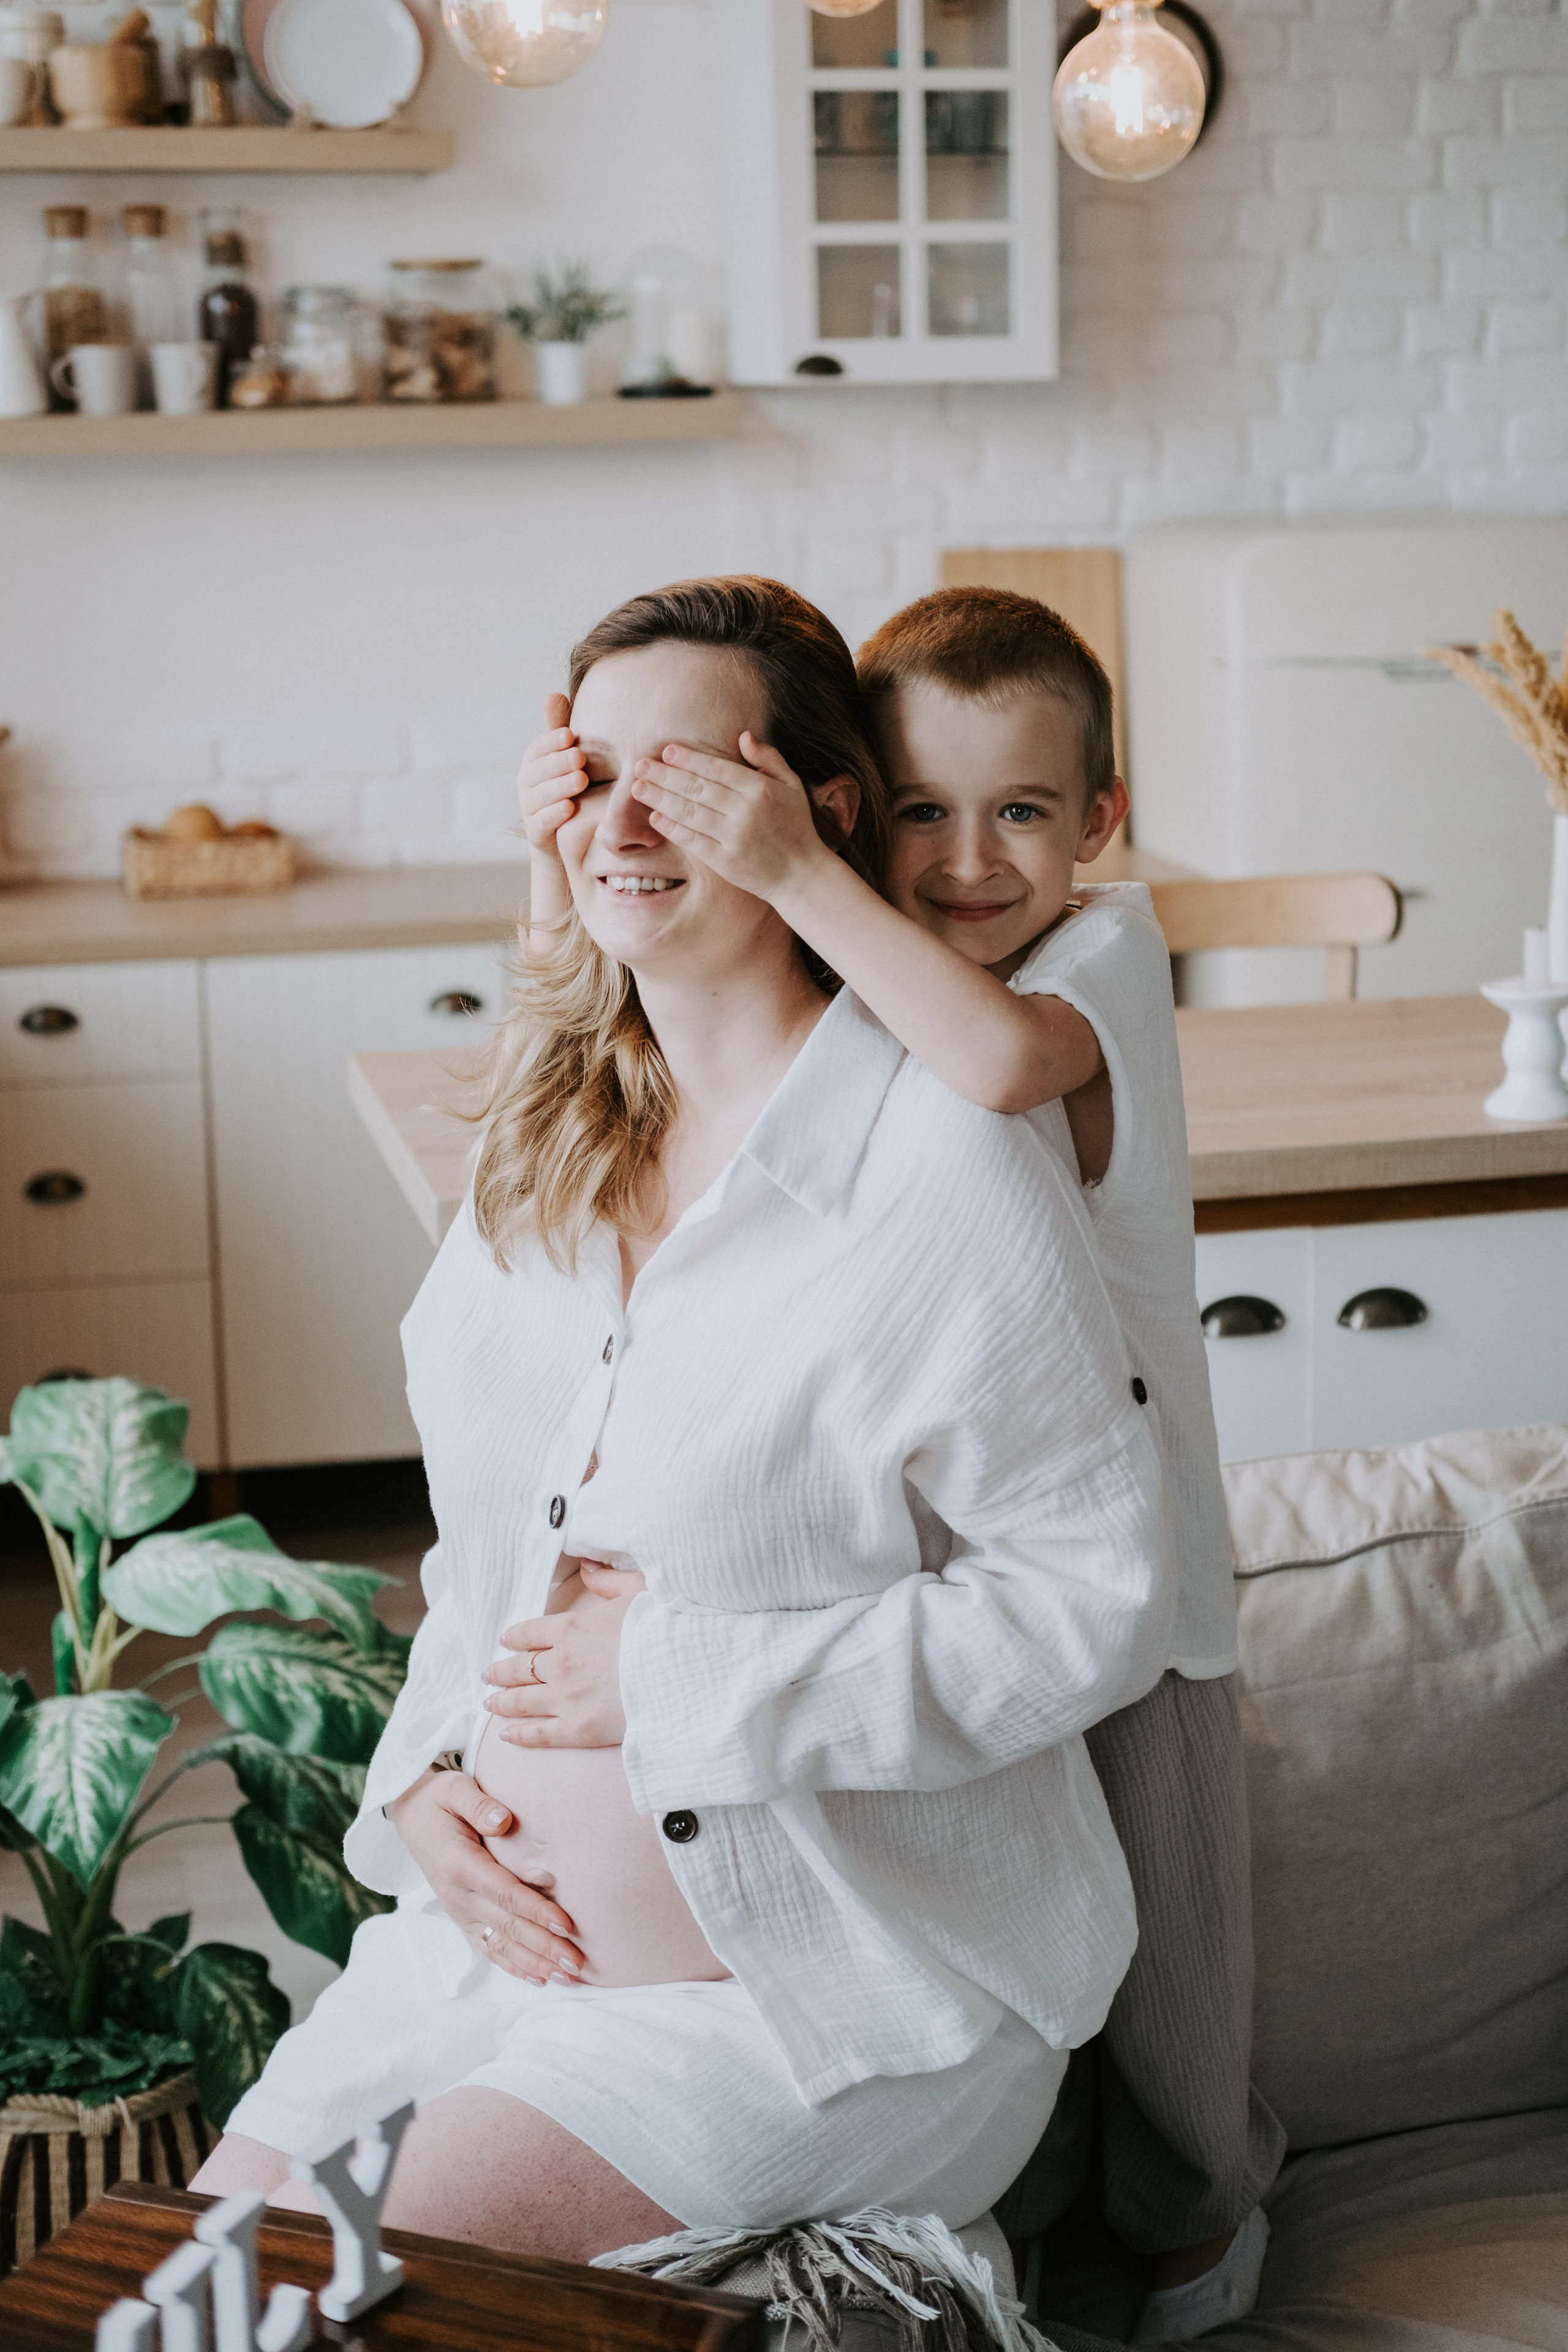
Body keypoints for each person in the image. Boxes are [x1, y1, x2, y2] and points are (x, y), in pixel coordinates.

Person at [194, 577, 1174, 2269]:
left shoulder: (944, 1157)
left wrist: (677, 1679)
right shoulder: (544, 1149)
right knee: (183, 2289)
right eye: (593, 776)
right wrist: (423, 1779)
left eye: (687, 779)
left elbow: (1096, 1601)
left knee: (323, 2288)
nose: (624, 822)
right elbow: (488, 1551)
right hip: (485, 1964)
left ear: (822, 811)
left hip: (822, 1998)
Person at [592, 586, 1286, 2340]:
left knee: (1173, 1968)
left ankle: (1203, 2229)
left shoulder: (1094, 953)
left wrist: (800, 869)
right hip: (962, 1562)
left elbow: (991, 1067)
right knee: (1033, 1914)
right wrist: (584, 840)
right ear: (862, 809)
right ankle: (1023, 2214)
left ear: (1099, 823)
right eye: (919, 811)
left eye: (1022, 811)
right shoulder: (876, 954)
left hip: (1135, 1574)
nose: (969, 863)